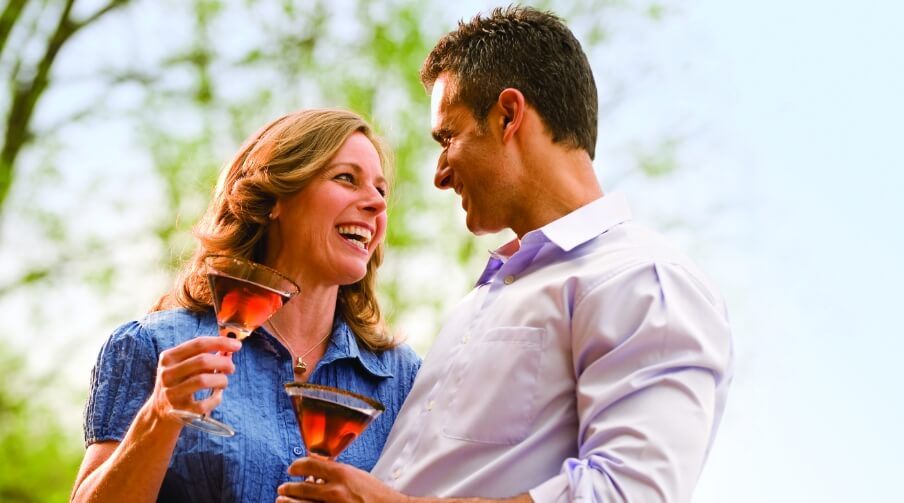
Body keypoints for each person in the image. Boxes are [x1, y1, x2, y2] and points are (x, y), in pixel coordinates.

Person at [278, 6, 733, 503]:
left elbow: (627, 493)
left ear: (508, 116)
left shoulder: (643, 279)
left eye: (447, 137)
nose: (440, 173)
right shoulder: (483, 300)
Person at [70, 108, 422, 502]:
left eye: (381, 190)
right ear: (276, 199)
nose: (375, 204)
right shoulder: (155, 346)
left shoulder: (404, 379)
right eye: (345, 178)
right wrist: (158, 416)